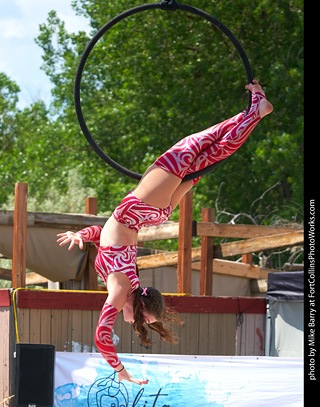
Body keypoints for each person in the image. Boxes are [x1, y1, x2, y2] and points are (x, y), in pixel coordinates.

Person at [57, 80, 273, 385]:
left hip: (150, 211)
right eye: (141, 321)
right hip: (143, 207)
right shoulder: (120, 291)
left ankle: (255, 111)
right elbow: (101, 335)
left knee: (206, 157)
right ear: (140, 306)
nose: (132, 323)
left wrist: (83, 235)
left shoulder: (122, 285)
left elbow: (105, 235)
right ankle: (255, 112)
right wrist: (121, 371)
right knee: (193, 146)